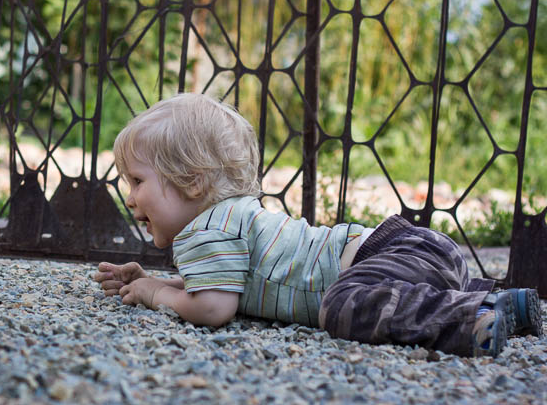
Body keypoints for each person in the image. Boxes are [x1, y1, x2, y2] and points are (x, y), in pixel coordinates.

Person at [93, 93, 543, 357]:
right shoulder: (230, 220)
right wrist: (156, 278)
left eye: (137, 180)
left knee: (342, 305)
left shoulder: (207, 229)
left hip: (383, 259)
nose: (129, 196)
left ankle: (466, 320)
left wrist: (154, 294)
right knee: (369, 294)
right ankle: (504, 303)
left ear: (190, 181)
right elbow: (217, 286)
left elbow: (213, 309)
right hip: (410, 252)